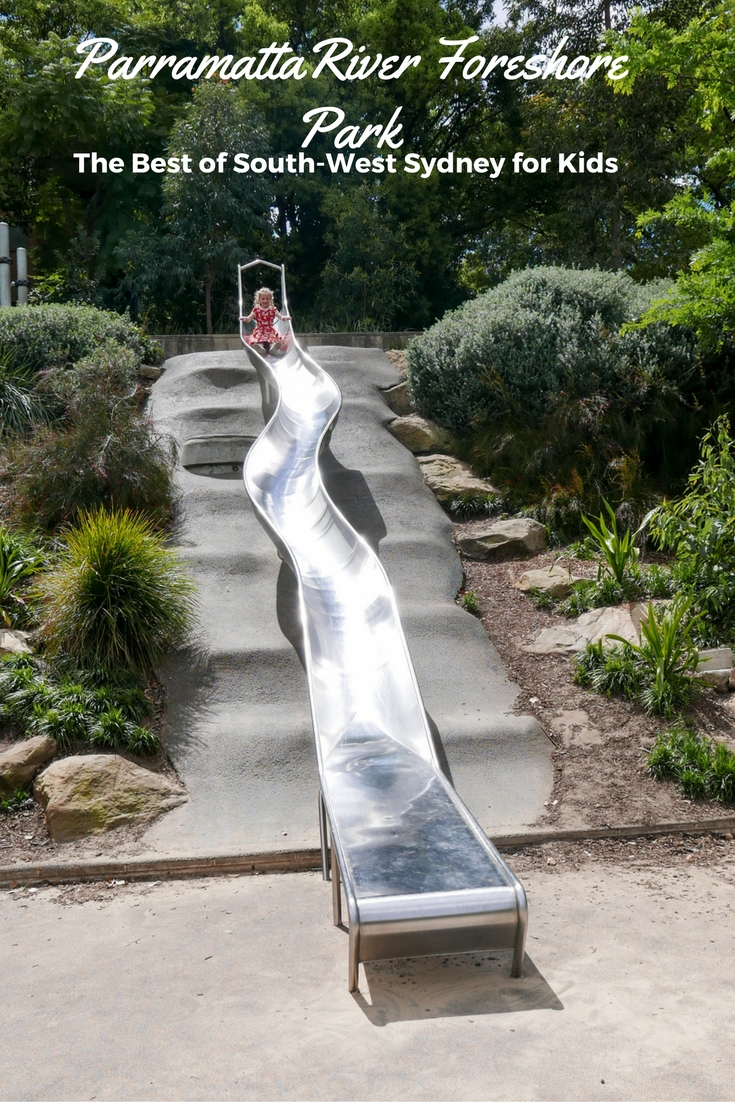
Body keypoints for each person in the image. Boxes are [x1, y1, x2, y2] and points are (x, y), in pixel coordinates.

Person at [240, 287, 290, 355]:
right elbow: (249, 318)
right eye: (263, 299)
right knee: (259, 337)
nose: (265, 301)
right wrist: (245, 318)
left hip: (270, 329)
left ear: (270, 300)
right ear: (259, 300)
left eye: (267, 299)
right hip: (260, 329)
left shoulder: (273, 309)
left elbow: (280, 316)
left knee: (272, 338)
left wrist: (284, 317)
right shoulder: (256, 309)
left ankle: (273, 347)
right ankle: (260, 347)